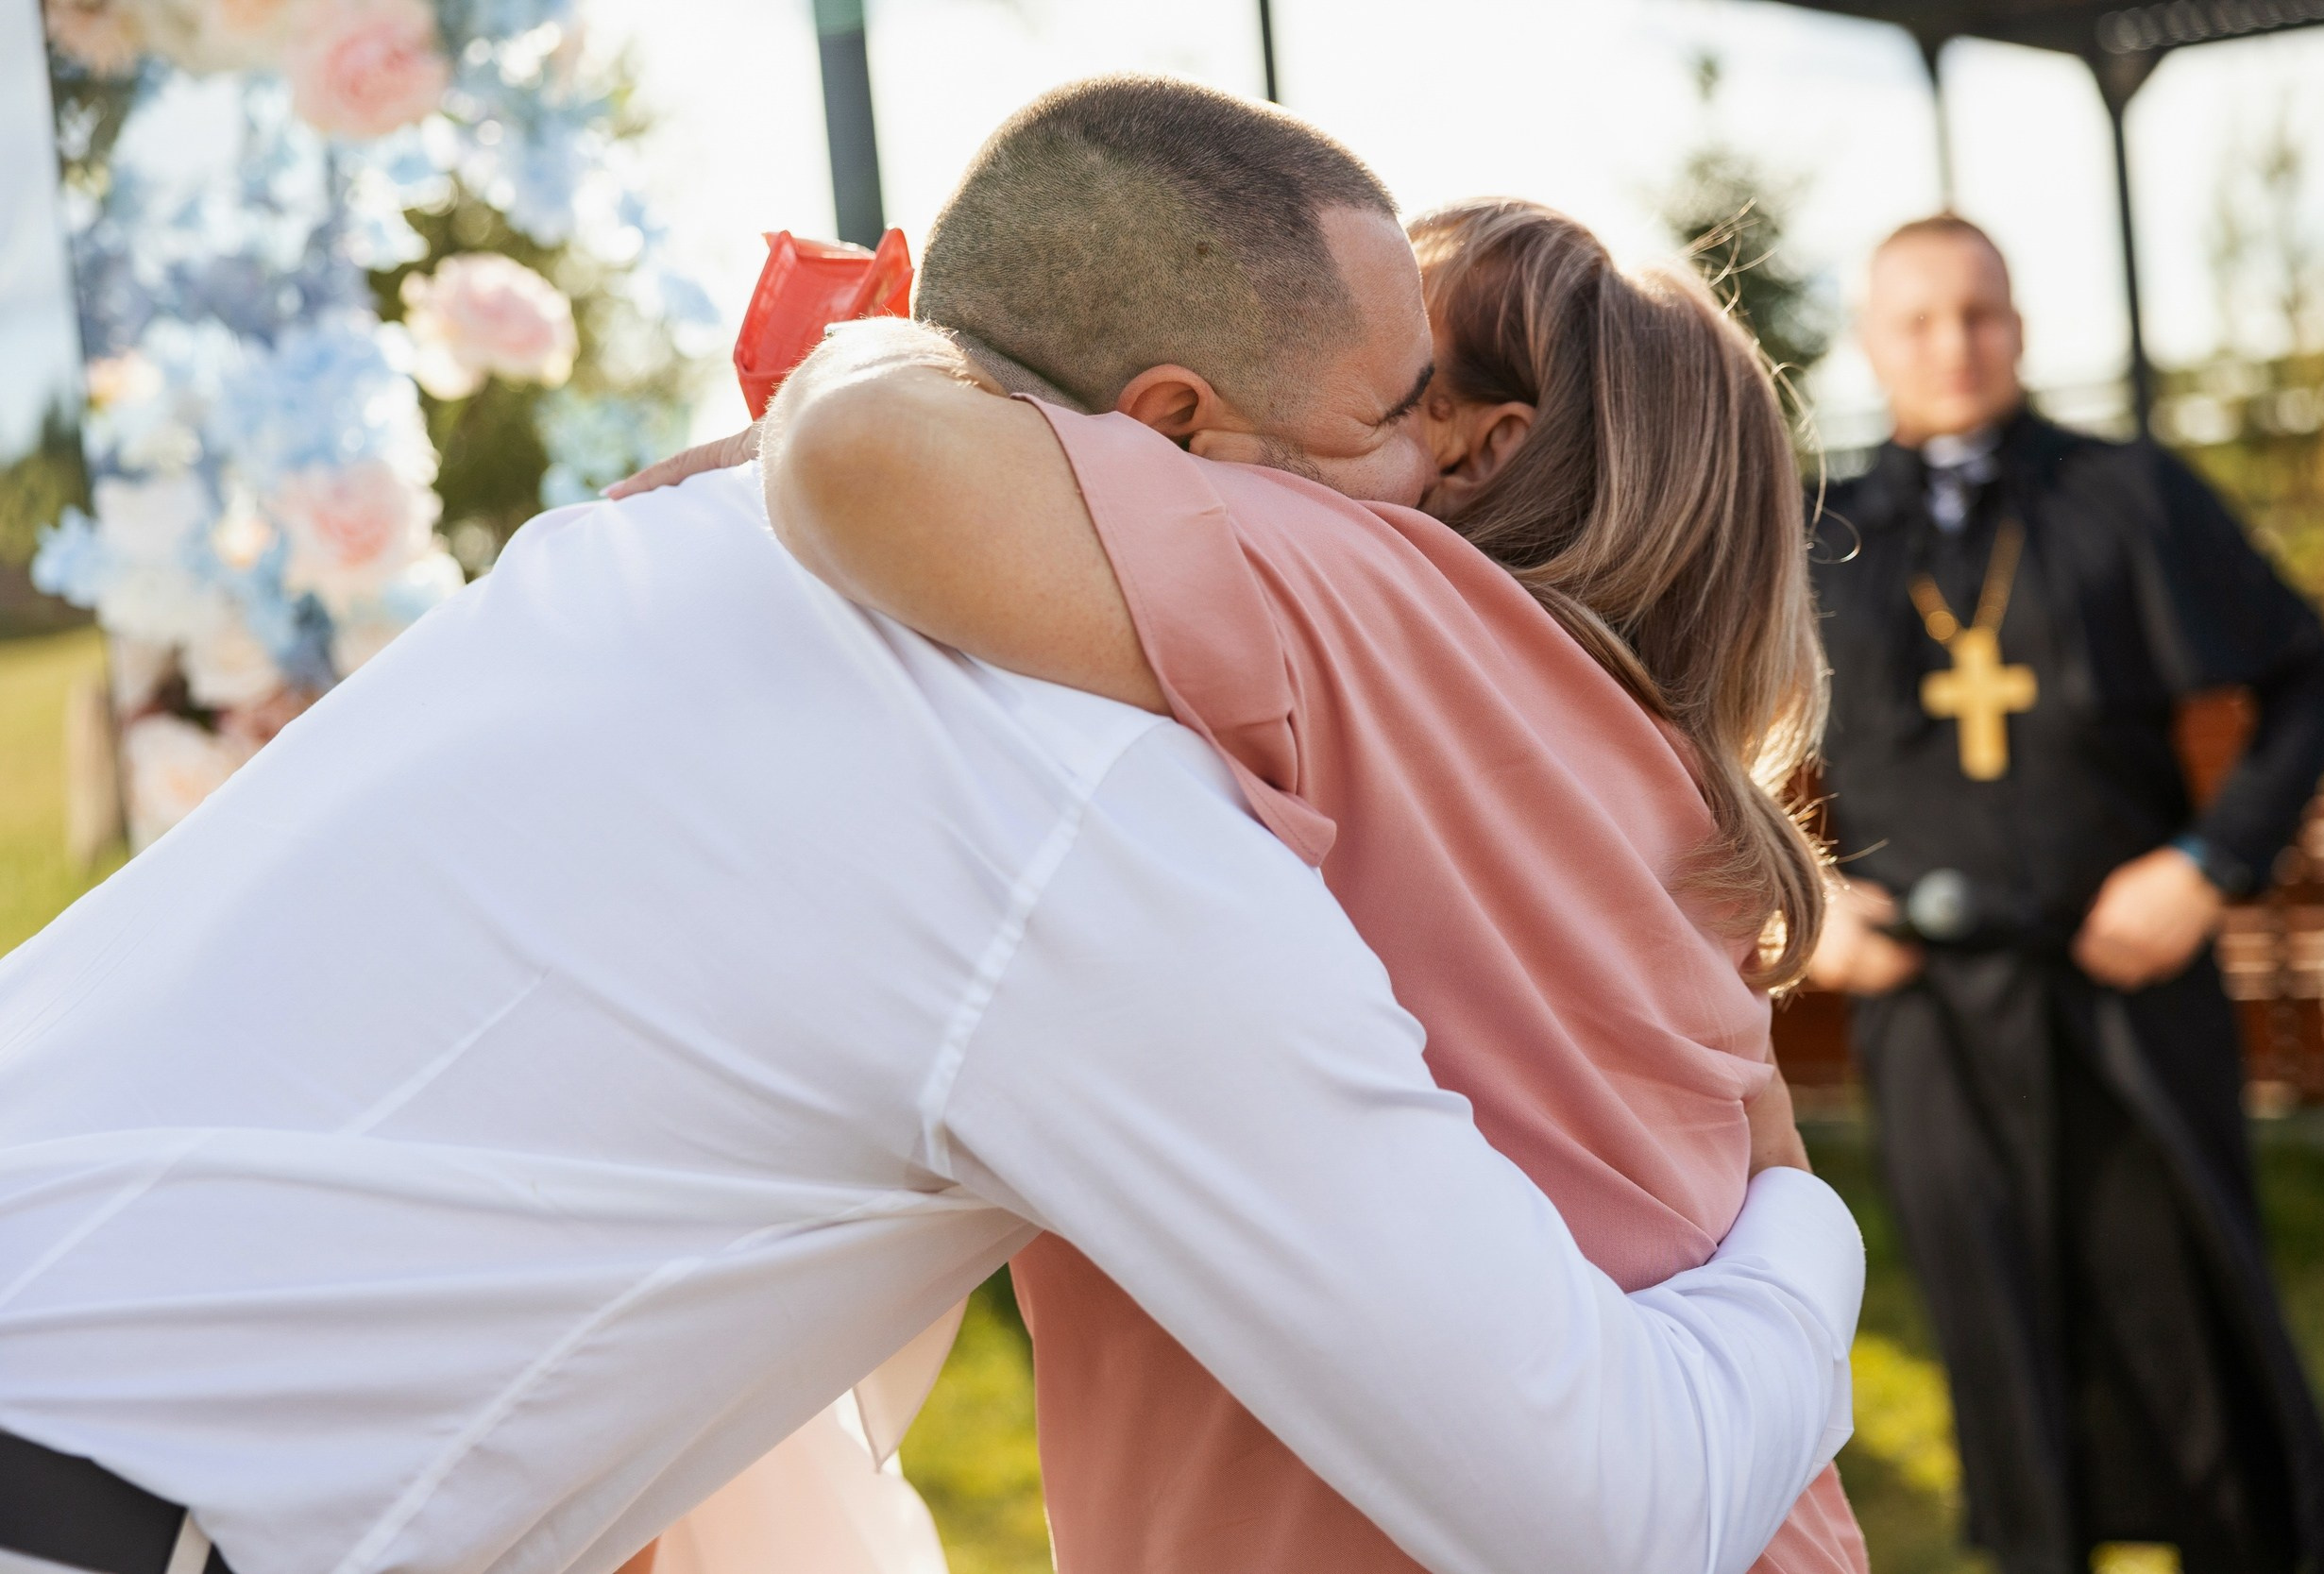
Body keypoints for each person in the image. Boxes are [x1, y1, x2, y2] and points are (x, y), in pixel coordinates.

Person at [0, 81, 1868, 1574]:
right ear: (1182, 440)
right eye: (1387, 421)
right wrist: (1802, 1224)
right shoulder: (1084, 807)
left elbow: (743, 1228)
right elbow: (1602, 1510)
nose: (1407, 490)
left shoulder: (646, 550)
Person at [621, 83, 1864, 1574]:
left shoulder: (1371, 597)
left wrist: (880, 365)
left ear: (1475, 452)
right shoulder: (1632, 753)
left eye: (1394, 389)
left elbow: (869, 459)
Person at [1805, 213, 2324, 1574]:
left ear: (2021, 328)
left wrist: (2206, 866)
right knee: (1997, 1341)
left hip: (2128, 979)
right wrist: (1805, 907)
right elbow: (1703, 750)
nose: (1954, 344)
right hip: (1932, 1006)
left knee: (2187, 1323)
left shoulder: (2127, 492)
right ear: (1875, 344)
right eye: (1920, 320)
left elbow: (2312, 681)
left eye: (1980, 314)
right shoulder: (1816, 532)